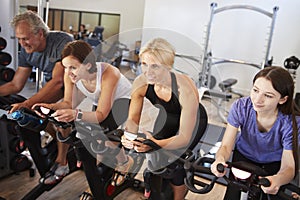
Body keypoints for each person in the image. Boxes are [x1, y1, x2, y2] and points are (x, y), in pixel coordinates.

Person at [33, 40, 133, 186]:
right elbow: (68, 103)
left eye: (73, 67)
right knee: (94, 139)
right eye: (65, 67)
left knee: (103, 136)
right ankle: (99, 174)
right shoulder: (70, 76)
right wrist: (50, 106)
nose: (68, 72)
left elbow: (101, 115)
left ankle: (125, 161)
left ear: (88, 64)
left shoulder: (109, 73)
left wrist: (76, 114)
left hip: (123, 101)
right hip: (99, 101)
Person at [120, 38, 200, 200]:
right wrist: (128, 138)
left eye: (155, 66)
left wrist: (154, 143)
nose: (148, 71)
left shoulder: (184, 88)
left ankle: (179, 198)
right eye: (144, 64)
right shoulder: (141, 82)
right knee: (156, 157)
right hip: (167, 117)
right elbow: (133, 119)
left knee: (178, 163)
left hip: (192, 121)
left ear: (168, 66)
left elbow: (183, 138)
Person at [210, 66, 299, 200]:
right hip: (243, 156)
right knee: (233, 195)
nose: (257, 100)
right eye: (255, 90)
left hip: (273, 164)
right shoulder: (241, 107)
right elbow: (226, 146)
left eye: (268, 96)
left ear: (282, 99)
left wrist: (278, 179)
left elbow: (288, 167)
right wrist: (220, 159)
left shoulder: (291, 122)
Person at [1, 10, 73, 113]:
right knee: (37, 112)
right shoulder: (26, 51)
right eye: (19, 39)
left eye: (25, 39)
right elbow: (16, 85)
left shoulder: (62, 42)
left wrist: (27, 104)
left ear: (40, 34)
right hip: (57, 84)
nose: (22, 44)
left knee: (46, 112)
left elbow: (58, 81)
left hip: (78, 83)